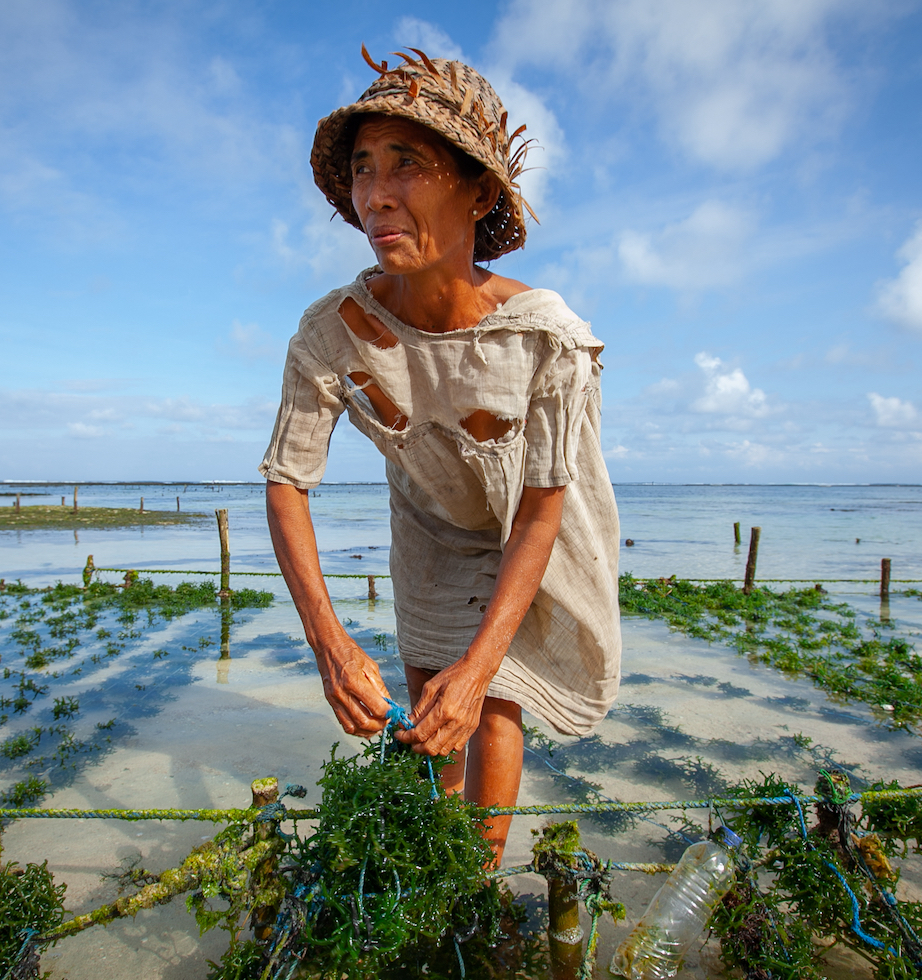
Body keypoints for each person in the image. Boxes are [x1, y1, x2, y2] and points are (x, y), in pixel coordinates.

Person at [260, 47, 621, 863]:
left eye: (408, 164)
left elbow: (540, 509)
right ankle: (437, 857)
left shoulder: (545, 340)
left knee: (487, 700)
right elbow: (287, 483)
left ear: (480, 189)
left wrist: (485, 659)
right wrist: (328, 641)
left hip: (535, 520)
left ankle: (480, 874)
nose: (375, 194)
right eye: (362, 169)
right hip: (429, 514)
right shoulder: (331, 334)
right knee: (428, 696)